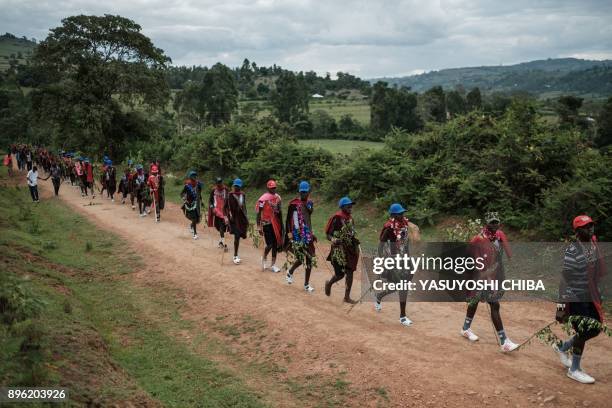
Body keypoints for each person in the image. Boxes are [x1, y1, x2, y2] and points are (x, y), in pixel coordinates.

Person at [553, 215, 605, 384]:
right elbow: (564, 280)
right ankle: (574, 369)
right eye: (585, 227)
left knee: (595, 328)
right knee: (584, 331)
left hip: (590, 294)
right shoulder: (573, 250)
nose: (590, 229)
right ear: (577, 231)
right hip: (575, 297)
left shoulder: (593, 244)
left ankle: (563, 347)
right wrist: (560, 308)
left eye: (591, 225)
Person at [460, 212, 518, 352]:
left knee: (475, 301)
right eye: (491, 222)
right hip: (481, 275)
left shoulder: (499, 235)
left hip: (495, 274)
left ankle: (465, 328)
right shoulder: (478, 240)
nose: (494, 225)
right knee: (494, 304)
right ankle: (504, 341)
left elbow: (508, 255)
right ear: (486, 223)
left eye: (496, 222)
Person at [374, 203, 420, 326]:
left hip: (405, 257)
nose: (402, 215)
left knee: (399, 285)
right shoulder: (389, 227)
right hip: (395, 259)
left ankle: (380, 295)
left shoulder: (404, 224)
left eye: (402, 213)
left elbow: (406, 242)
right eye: (399, 213)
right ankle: (403, 317)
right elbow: (381, 244)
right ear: (393, 215)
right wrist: (382, 260)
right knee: (403, 286)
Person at [324, 197, 360, 304]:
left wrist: (355, 240)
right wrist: (334, 240)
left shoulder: (350, 219)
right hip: (338, 249)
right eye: (348, 205)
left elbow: (352, 233)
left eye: (351, 205)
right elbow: (328, 234)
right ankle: (329, 283)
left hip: (350, 249)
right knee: (340, 274)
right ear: (342, 207)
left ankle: (347, 297)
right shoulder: (337, 217)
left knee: (350, 271)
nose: (350, 207)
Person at [284, 181, 316, 292]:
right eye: (302, 192)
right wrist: (289, 234)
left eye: (305, 192)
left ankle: (304, 282)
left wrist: (311, 233)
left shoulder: (310, 203)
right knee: (304, 257)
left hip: (308, 234)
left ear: (309, 192)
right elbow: (289, 220)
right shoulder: (293, 204)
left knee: (309, 258)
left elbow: (308, 219)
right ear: (299, 192)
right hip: (297, 234)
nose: (303, 194)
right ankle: (291, 272)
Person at [256, 180, 283, 273]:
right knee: (270, 244)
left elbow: (280, 211)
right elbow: (259, 213)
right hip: (266, 223)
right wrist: (258, 226)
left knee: (275, 244)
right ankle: (264, 257)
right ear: (268, 188)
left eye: (274, 187)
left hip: (275, 223)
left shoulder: (278, 198)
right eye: (272, 188)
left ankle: (273, 265)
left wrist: (281, 225)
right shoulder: (262, 199)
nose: (273, 189)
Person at [227, 178, 249, 264]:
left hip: (241, 218)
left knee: (239, 235)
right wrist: (226, 217)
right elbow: (225, 207)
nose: (237, 188)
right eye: (235, 186)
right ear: (233, 186)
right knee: (237, 236)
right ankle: (235, 256)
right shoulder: (230, 195)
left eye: (238, 186)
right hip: (233, 219)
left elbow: (244, 206)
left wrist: (246, 216)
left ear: (240, 187)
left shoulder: (242, 195)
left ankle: (236, 254)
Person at [208, 177, 230, 251]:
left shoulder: (226, 189)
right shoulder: (213, 190)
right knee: (219, 227)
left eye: (220, 182)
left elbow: (229, 199)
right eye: (218, 183)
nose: (219, 184)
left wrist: (229, 209)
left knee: (223, 227)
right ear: (216, 183)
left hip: (224, 211)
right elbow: (210, 201)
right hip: (217, 210)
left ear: (222, 182)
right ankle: (222, 242)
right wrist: (212, 208)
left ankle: (222, 243)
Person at [180, 170, 203, 240]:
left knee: (197, 218)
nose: (194, 177)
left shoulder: (198, 184)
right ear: (190, 177)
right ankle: (195, 234)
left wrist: (201, 201)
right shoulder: (187, 185)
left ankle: (191, 226)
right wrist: (184, 199)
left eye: (195, 176)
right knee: (194, 218)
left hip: (196, 203)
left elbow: (199, 193)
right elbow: (182, 193)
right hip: (190, 204)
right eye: (193, 176)